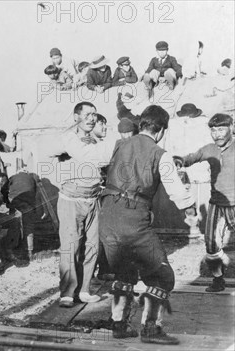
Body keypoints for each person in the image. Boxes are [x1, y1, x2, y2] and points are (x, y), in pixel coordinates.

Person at [99, 105, 195, 344]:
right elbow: (175, 188)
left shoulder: (119, 146)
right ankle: (151, 329)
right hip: (133, 219)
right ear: (161, 130)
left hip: (107, 216)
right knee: (162, 276)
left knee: (125, 271)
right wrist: (190, 207)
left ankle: (119, 325)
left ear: (141, 124)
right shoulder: (159, 152)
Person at [57, 102, 114, 308]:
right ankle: (67, 292)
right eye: (87, 114)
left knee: (92, 246)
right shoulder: (67, 138)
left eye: (94, 115)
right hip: (72, 199)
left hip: (93, 198)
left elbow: (106, 159)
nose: (91, 118)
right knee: (71, 245)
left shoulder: (97, 139)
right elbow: (91, 157)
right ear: (76, 117)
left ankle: (84, 289)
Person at [174, 114, 234, 292]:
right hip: (216, 203)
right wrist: (179, 161)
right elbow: (191, 158)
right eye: (213, 130)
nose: (217, 134)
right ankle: (218, 280)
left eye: (221, 129)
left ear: (232, 127)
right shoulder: (209, 148)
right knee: (211, 244)